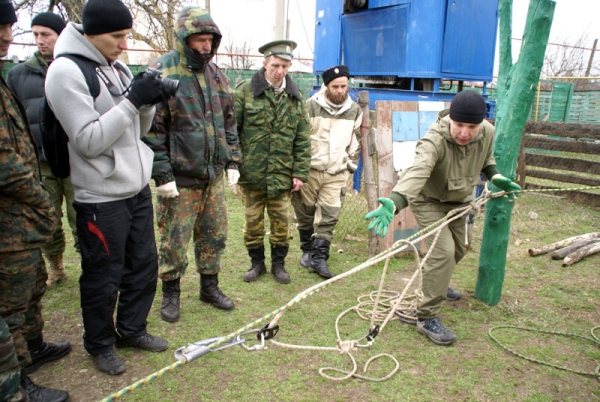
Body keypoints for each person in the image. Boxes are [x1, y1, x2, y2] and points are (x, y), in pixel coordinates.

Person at [45, 0, 171, 375]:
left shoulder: (113, 67)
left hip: (135, 187)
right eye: (117, 36)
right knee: (104, 274)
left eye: (127, 36)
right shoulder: (64, 72)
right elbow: (88, 141)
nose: (124, 45)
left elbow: (137, 129)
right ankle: (99, 343)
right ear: (91, 33)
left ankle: (132, 329)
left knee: (144, 265)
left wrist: (148, 101)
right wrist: (133, 100)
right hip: (100, 196)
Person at [365, 90, 522, 346]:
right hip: (428, 201)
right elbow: (419, 170)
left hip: (459, 200)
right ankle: (426, 316)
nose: (464, 132)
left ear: (481, 124)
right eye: (459, 125)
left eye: (471, 127)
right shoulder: (433, 140)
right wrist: (395, 202)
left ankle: (437, 284)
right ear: (451, 119)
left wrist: (494, 176)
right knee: (442, 253)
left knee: (460, 249)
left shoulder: (487, 133)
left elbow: (486, 160)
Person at [143, 6, 242, 323]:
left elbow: (229, 124)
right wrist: (162, 174)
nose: (206, 46)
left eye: (210, 39)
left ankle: (209, 287)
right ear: (184, 38)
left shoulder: (217, 75)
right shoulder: (162, 72)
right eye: (200, 39)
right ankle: (170, 294)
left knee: (214, 235)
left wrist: (232, 162)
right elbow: (151, 129)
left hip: (212, 176)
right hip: (179, 179)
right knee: (174, 239)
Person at [0, 2, 70, 400]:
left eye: (11, 27)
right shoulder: (15, 75)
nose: (11, 36)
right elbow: (6, 162)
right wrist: (39, 199)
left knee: (31, 284)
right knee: (11, 298)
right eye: (4, 27)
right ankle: (18, 378)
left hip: (23, 205)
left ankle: (35, 347)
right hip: (16, 205)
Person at [6, 12, 77, 289]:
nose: (39, 40)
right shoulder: (18, 75)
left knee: (81, 216)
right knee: (48, 216)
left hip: (75, 160)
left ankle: (91, 267)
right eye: (35, 34)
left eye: (46, 34)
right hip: (41, 162)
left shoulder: (75, 68)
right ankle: (56, 267)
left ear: (61, 35)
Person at [235, 39, 311, 284]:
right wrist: (233, 166)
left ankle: (279, 265)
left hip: (282, 175)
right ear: (265, 63)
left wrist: (299, 172)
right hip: (252, 174)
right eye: (276, 65)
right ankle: (256, 264)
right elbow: (232, 132)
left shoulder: (295, 98)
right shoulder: (245, 91)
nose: (280, 71)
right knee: (252, 225)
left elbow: (302, 139)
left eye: (285, 66)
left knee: (282, 225)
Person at [291, 65, 362, 279]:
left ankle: (320, 259)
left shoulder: (354, 110)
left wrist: (350, 166)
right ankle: (307, 250)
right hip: (310, 170)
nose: (340, 91)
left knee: (329, 215)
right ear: (326, 86)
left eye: (344, 86)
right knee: (305, 214)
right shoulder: (310, 106)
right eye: (336, 86)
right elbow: (299, 139)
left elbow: (356, 141)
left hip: (336, 172)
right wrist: (298, 169)